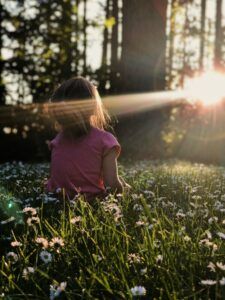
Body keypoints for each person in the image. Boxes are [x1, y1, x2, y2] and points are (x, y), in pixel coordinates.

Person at [45, 76, 130, 201]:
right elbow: (111, 184)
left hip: (57, 200)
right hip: (91, 204)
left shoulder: (57, 141)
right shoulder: (105, 141)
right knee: (121, 183)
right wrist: (124, 190)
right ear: (94, 108)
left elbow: (58, 179)